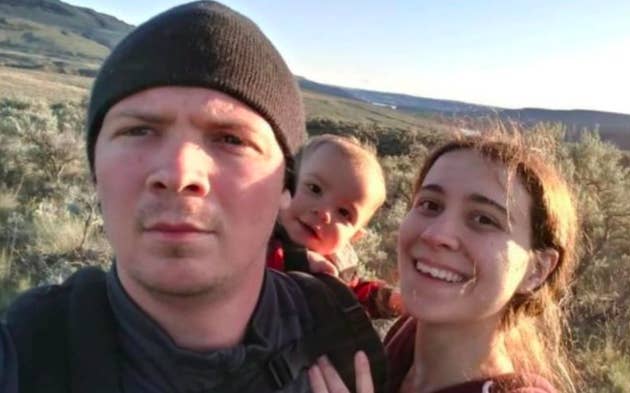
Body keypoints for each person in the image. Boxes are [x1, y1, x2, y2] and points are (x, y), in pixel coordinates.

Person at [0, 2, 384, 392]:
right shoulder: (23, 353)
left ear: (286, 185)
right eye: (138, 131)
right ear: (95, 170)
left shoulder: (340, 334)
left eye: (231, 139)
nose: (180, 173)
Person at [309, 135, 579, 393]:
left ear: (537, 270)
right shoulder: (406, 340)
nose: (436, 235)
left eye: (484, 219)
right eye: (430, 204)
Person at [269, 134, 403, 319]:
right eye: (315, 189)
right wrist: (298, 260)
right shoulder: (256, 234)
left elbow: (354, 295)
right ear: (287, 184)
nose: (324, 214)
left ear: (354, 237)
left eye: (343, 212)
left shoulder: (337, 267)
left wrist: (389, 300)